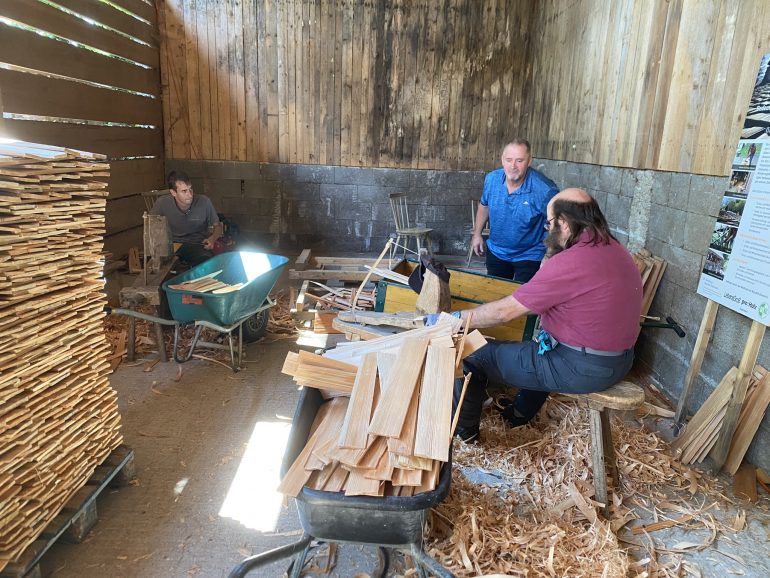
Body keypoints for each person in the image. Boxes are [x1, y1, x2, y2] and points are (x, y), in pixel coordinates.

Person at [434, 188, 642, 442]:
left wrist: (453, 319)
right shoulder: (614, 248)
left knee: (470, 353)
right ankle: (518, 414)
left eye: (550, 223)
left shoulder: (574, 260)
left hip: (580, 367)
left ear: (564, 223)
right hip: (620, 361)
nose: (548, 230)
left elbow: (504, 312)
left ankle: (464, 436)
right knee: (539, 342)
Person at [471, 138, 559, 282]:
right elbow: (484, 205)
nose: (513, 166)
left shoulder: (545, 190)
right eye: (509, 160)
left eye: (519, 160)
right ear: (502, 160)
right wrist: (477, 234)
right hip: (497, 250)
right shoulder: (491, 179)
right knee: (495, 295)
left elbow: (556, 225)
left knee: (523, 300)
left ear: (529, 161)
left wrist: (548, 255)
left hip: (530, 254)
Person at [151, 171, 222, 267]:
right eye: (184, 191)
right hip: (172, 246)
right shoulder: (162, 204)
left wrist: (212, 239)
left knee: (208, 264)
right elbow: (151, 227)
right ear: (173, 192)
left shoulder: (204, 202)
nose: (190, 195)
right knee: (161, 271)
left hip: (197, 244)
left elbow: (218, 227)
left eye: (190, 189)